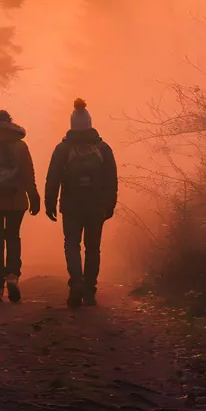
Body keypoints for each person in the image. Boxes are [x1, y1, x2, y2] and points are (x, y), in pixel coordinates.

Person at [45, 98, 117, 308]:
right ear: (89, 123)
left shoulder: (63, 149)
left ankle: (76, 282)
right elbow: (111, 180)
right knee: (93, 248)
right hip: (96, 206)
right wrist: (110, 204)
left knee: (72, 245)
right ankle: (89, 290)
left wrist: (50, 203)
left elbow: (53, 178)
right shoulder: (103, 148)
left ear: (72, 125)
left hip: (71, 205)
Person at [0, 109, 40, 302]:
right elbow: (28, 173)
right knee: (12, 237)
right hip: (15, 200)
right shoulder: (20, 146)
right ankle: (12, 276)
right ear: (11, 124)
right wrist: (33, 196)